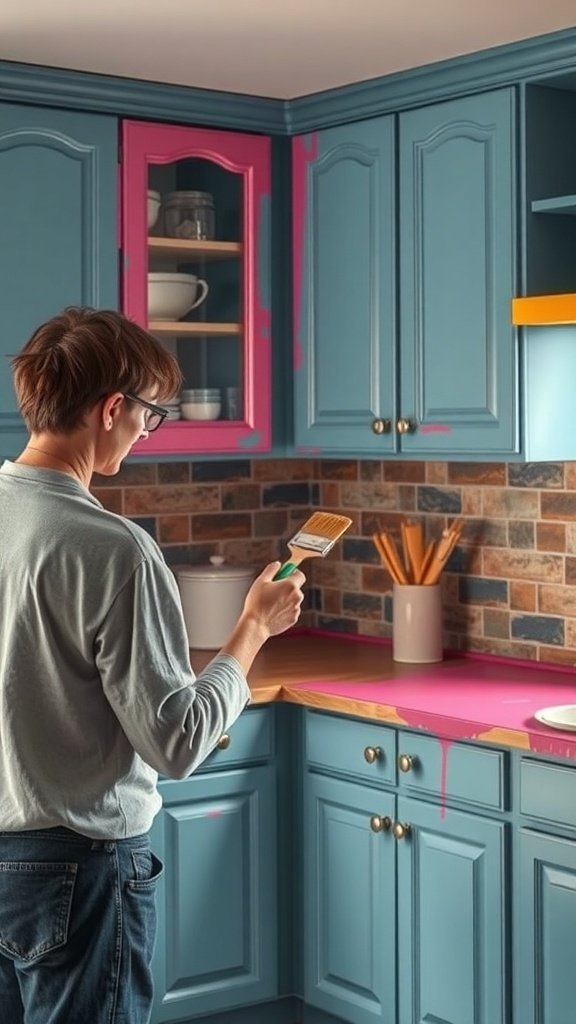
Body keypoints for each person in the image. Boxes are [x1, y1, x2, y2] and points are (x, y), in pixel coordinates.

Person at [0, 306, 305, 1024]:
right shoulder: (111, 548)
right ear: (113, 408)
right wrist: (252, 630)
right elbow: (177, 742)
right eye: (149, 415)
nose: (145, 432)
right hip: (79, 871)